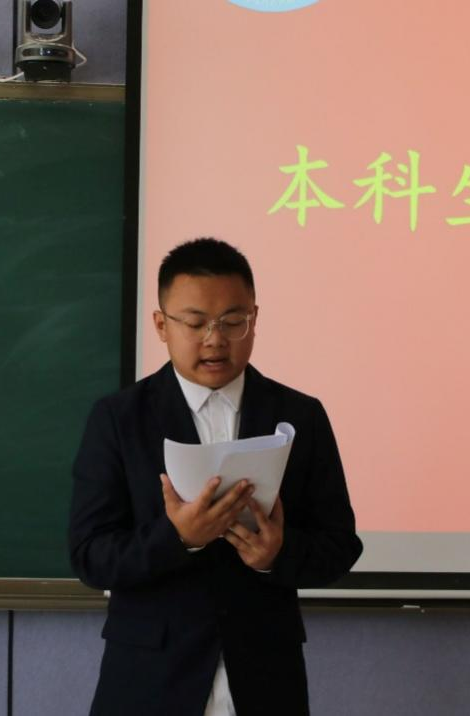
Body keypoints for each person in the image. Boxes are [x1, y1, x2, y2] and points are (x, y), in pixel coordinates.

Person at [69, 237, 363, 715]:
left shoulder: (300, 415)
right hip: (150, 684)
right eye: (195, 323)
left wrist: (276, 555)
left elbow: (340, 544)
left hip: (266, 680)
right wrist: (177, 538)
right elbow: (90, 555)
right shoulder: (119, 419)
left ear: (254, 319)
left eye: (232, 321)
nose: (215, 339)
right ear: (161, 325)